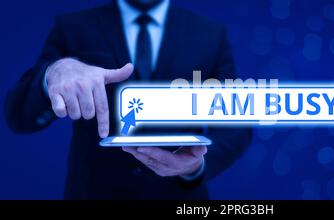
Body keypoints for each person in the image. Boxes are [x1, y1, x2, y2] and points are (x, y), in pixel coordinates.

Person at [4, 0, 252, 199]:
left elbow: (236, 126)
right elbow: (18, 116)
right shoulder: (72, 27)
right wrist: (53, 74)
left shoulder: (211, 34)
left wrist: (195, 167)